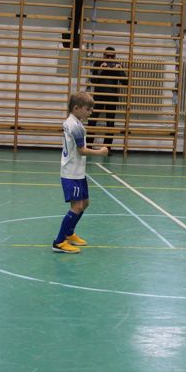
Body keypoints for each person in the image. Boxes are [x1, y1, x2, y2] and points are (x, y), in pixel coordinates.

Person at [53, 91, 109, 254]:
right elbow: (82, 150)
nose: (90, 112)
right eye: (87, 109)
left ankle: (69, 233)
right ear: (76, 108)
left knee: (84, 203)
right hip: (71, 173)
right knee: (77, 206)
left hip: (78, 172)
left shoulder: (73, 122)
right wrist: (100, 152)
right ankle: (59, 242)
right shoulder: (75, 126)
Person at [86, 47, 127, 148]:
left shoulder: (118, 65)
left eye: (112, 56)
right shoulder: (98, 63)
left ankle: (107, 148)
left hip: (112, 98)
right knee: (92, 121)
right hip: (98, 97)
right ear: (103, 56)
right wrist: (100, 70)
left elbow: (125, 82)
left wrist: (120, 70)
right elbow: (93, 80)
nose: (109, 58)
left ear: (115, 57)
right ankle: (88, 146)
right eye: (107, 56)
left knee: (110, 123)